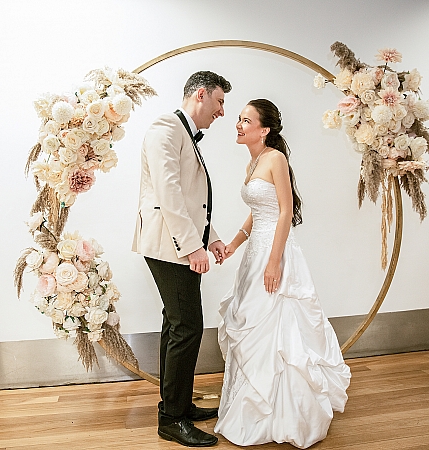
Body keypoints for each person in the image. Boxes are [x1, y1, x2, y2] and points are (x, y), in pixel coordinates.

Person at [214, 99, 351, 448]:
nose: (238, 125)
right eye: (239, 119)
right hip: (255, 254)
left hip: (274, 251)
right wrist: (234, 244)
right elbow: (258, 210)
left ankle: (287, 413)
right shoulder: (253, 161)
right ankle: (250, 407)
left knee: (280, 330)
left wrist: (274, 262)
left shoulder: (275, 159)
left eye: (246, 121)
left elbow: (285, 212)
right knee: (251, 324)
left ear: (264, 130)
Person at [132, 71, 232, 447]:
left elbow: (192, 200)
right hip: (168, 246)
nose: (222, 112)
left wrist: (212, 237)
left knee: (177, 325)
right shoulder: (166, 129)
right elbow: (169, 194)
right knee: (187, 327)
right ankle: (172, 420)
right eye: (220, 102)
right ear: (201, 94)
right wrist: (192, 247)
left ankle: (177, 405)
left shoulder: (182, 132)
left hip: (176, 242)